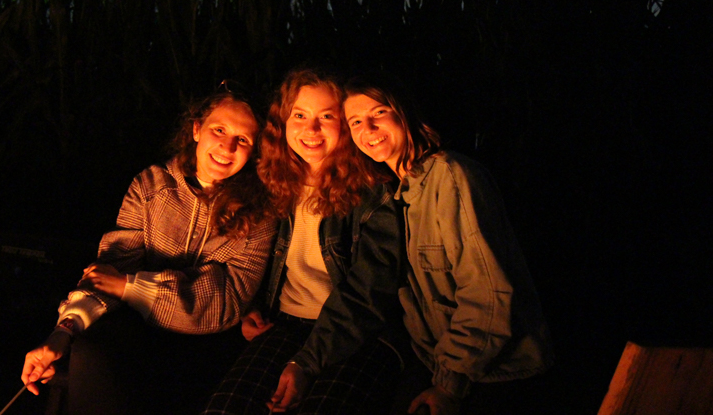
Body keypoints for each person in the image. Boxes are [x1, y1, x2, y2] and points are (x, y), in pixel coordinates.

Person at [20, 85, 277, 415]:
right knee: (91, 353)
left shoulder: (260, 213)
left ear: (255, 150)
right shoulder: (150, 186)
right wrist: (62, 333)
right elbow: (107, 271)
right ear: (197, 128)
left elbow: (224, 303)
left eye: (243, 140)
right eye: (219, 130)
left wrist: (129, 285)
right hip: (141, 331)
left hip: (209, 346)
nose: (227, 146)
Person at [343, 76, 554, 415]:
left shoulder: (452, 176)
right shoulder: (399, 194)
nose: (367, 127)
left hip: (495, 373)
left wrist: (448, 386)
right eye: (355, 121)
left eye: (378, 112)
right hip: (438, 366)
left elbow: (488, 291)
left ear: (403, 113)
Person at [202, 69, 406, 415]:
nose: (311, 130)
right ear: (283, 122)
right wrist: (250, 306)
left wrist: (306, 364)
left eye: (326, 117)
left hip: (359, 337)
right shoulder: (276, 182)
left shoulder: (373, 194)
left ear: (344, 125)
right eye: (300, 116)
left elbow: (368, 295)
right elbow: (254, 255)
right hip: (284, 325)